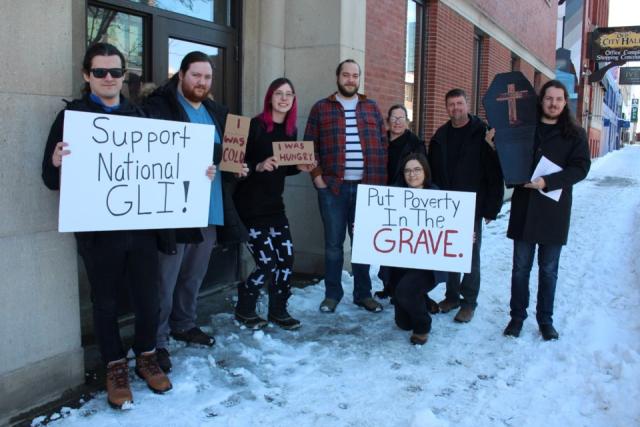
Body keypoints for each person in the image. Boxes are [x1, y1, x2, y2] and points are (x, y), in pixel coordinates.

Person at [42, 42, 172, 409]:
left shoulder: (142, 118)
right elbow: (49, 181)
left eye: (116, 72)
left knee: (149, 299)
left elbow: (164, 169)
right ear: (87, 76)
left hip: (142, 229)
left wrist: (196, 172)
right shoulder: (71, 119)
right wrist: (55, 162)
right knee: (106, 303)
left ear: (123, 76)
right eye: (100, 72)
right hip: (99, 235)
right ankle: (114, 367)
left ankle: (146, 356)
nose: (109, 78)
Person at [143, 51, 248, 373]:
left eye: (207, 77)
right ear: (181, 76)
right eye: (196, 76)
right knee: (165, 278)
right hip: (175, 209)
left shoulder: (218, 112)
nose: (201, 82)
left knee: (193, 276)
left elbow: (224, 159)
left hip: (210, 209)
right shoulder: (160, 108)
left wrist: (235, 168)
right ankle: (156, 341)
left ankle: (184, 324)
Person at [502, 80, 590, 341]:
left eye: (559, 99)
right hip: (525, 208)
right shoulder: (524, 129)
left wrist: (547, 182)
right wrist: (497, 144)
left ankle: (545, 320)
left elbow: (581, 168)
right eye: (549, 98)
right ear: (541, 101)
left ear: (565, 103)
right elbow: (509, 158)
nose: (553, 103)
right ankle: (517, 317)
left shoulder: (575, 134)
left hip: (554, 210)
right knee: (520, 269)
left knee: (549, 270)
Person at [304, 59, 387, 314]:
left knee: (363, 245)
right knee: (333, 244)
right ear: (337, 77)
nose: (351, 79)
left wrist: (379, 188)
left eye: (355, 75)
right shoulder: (321, 108)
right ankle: (332, 294)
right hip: (333, 189)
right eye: (346, 75)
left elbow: (384, 145)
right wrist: (317, 178)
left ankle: (363, 294)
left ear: (359, 79)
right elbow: (309, 146)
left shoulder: (371, 108)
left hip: (366, 189)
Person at [233, 78, 315, 330]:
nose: (284, 98)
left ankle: (278, 310)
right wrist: (257, 166)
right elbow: (234, 167)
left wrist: (299, 168)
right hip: (250, 207)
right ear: (270, 97)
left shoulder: (291, 130)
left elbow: (283, 170)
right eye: (279, 93)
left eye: (289, 94)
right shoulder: (252, 126)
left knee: (286, 261)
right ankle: (245, 306)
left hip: (275, 207)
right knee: (267, 263)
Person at [428, 88, 504, 323]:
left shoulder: (482, 133)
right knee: (449, 252)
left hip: (471, 205)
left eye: (459, 104)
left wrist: (492, 207)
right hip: (446, 205)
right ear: (446, 107)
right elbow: (431, 172)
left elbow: (494, 171)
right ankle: (451, 297)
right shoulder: (440, 136)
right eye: (451, 104)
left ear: (467, 104)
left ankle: (469, 301)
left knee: (470, 254)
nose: (455, 108)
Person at [388, 153, 447, 345]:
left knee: (405, 292)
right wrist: (365, 228)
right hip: (401, 262)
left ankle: (423, 325)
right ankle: (422, 299)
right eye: (407, 170)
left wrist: (464, 236)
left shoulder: (439, 197)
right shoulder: (393, 195)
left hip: (427, 265)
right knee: (403, 323)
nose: (412, 174)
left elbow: (452, 228)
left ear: (425, 171)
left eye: (417, 169)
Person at [375, 104, 428, 301]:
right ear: (388, 120)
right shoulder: (381, 141)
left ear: (407, 121)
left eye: (401, 117)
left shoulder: (415, 143)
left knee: (403, 247)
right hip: (382, 199)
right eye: (394, 117)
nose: (398, 121)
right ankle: (388, 286)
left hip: (405, 200)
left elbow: (422, 170)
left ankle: (404, 290)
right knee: (387, 244)